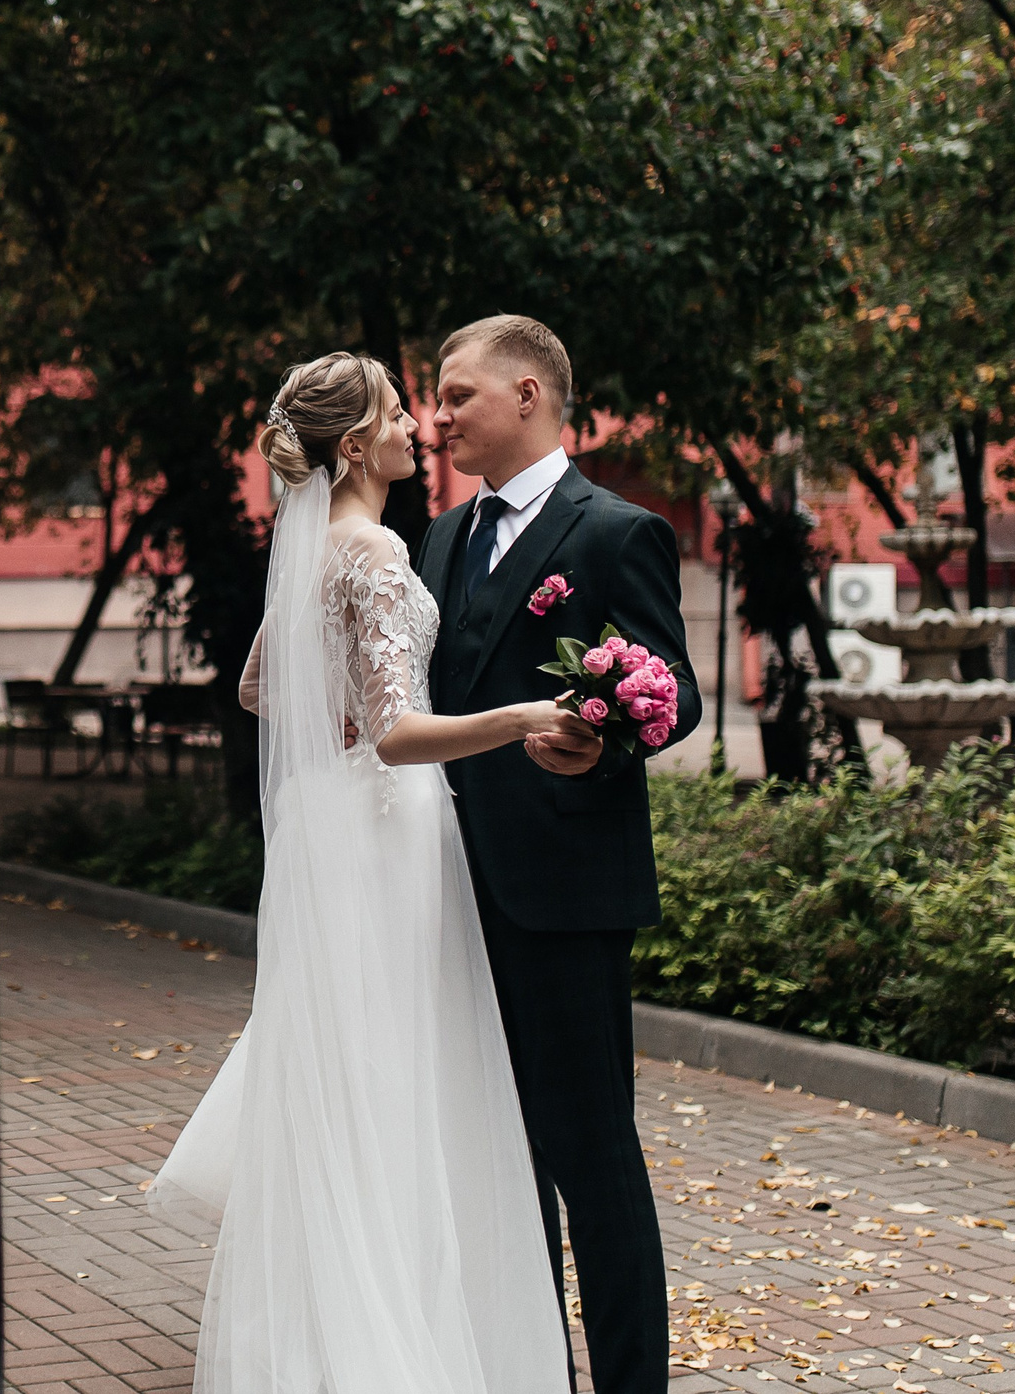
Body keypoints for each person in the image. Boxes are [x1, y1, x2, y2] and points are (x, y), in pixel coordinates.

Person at [147, 350, 595, 1393]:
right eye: (399, 414)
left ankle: (319, 1330)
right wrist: (526, 713)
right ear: (356, 446)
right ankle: (395, 1340)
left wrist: (336, 719)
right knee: (398, 1066)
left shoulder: (308, 553)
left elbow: (262, 687)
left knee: (343, 1063)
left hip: (321, 824)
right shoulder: (379, 551)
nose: (418, 428)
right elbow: (396, 733)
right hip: (385, 825)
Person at [419, 314, 701, 1394]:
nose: (439, 416)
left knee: (593, 1161)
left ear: (527, 393)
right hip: (448, 890)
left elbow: (668, 690)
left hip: (567, 894)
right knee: (497, 1159)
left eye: (456, 396)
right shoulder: (440, 536)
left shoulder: (614, 529)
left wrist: (601, 748)